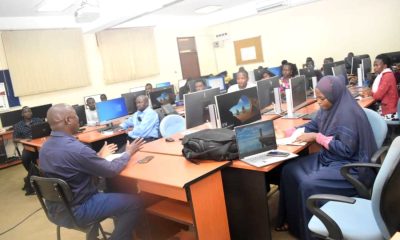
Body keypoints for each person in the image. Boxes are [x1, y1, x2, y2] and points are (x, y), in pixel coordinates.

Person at [276, 76, 377, 239]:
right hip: (330, 157)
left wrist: (317, 137)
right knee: (289, 170)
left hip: (350, 166)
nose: (318, 102)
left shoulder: (349, 114)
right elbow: (312, 126)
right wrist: (289, 132)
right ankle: (292, 222)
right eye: (317, 97)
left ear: (334, 95)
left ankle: (311, 234)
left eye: (322, 98)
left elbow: (346, 150)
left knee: (308, 184)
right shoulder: (328, 108)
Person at [39, 104, 145, 240]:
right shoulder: (77, 149)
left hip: (56, 210)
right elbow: (111, 170)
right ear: (68, 120)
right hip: (79, 209)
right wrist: (128, 152)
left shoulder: (44, 147)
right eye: (76, 116)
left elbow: (72, 167)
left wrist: (97, 157)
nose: (79, 119)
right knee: (134, 203)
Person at [13, 106, 43, 195]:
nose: (28, 113)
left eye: (29, 111)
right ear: (22, 114)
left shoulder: (38, 120)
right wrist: (23, 140)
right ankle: (33, 175)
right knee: (25, 158)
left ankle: (34, 176)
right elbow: (14, 139)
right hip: (29, 148)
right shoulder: (18, 125)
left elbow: (46, 130)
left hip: (40, 145)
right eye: (26, 112)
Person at [364, 54, 399, 120]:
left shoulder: (387, 76)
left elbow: (377, 96)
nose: (374, 68)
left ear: (385, 66)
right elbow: (376, 91)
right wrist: (371, 93)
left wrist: (371, 93)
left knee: (367, 117)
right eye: (374, 65)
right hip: (387, 108)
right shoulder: (384, 75)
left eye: (377, 65)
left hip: (390, 112)